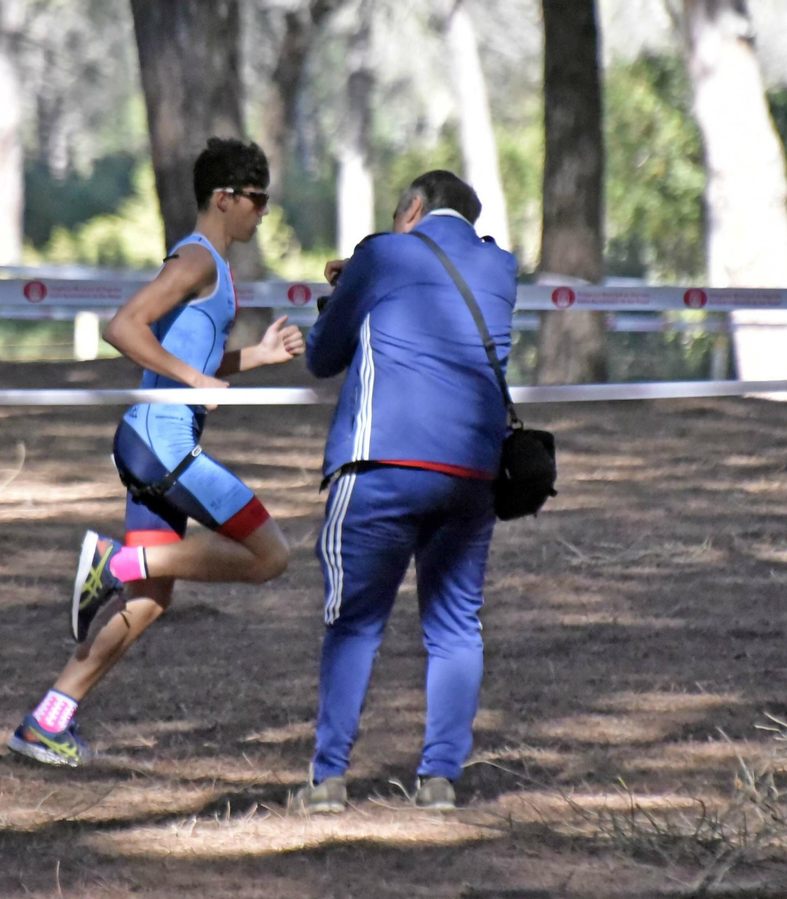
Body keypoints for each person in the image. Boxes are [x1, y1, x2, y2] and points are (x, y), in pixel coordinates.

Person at [6, 138, 305, 768]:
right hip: (160, 442)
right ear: (225, 198)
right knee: (270, 555)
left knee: (150, 598)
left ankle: (46, 721)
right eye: (258, 200)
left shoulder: (211, 267)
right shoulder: (198, 259)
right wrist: (195, 383)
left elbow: (188, 357)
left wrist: (255, 358)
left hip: (152, 445)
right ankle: (113, 564)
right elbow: (124, 327)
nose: (263, 213)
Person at [292, 170, 517, 813]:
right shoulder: (501, 266)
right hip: (473, 474)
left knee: (355, 622)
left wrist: (343, 293)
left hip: (381, 465)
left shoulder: (382, 252)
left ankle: (328, 780)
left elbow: (322, 356)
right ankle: (440, 780)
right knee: (455, 627)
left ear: (413, 207)